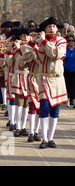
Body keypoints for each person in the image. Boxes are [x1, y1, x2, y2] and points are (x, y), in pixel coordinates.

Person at [35, 17, 68, 149]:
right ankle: (43, 138)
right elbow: (39, 58)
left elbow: (55, 54)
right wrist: (33, 43)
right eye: (49, 26)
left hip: (57, 79)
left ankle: (51, 138)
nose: (52, 28)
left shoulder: (62, 41)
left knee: (55, 109)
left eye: (54, 26)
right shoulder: (40, 41)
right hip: (43, 78)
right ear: (45, 28)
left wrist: (44, 42)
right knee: (44, 107)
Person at [64, 33, 75, 107]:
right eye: (69, 40)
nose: (71, 42)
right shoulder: (65, 49)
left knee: (74, 87)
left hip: (74, 71)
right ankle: (67, 100)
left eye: (72, 40)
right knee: (67, 86)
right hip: (66, 70)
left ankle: (73, 100)